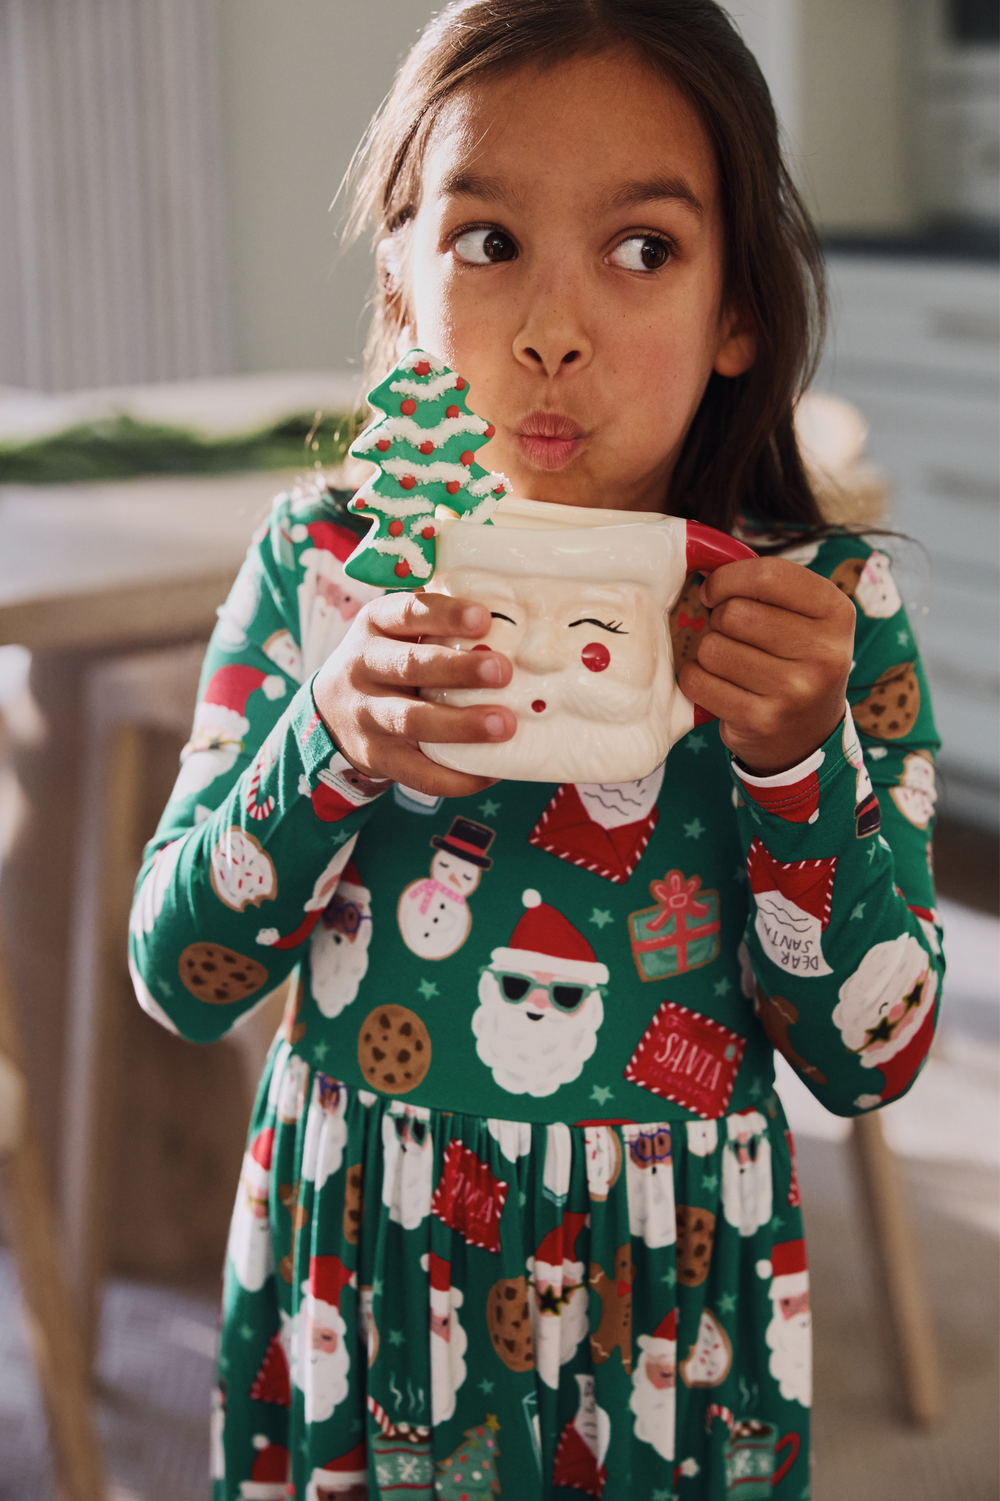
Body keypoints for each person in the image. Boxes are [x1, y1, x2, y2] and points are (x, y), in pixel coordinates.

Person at [128, 3, 944, 1496]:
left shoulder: (815, 623)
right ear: (402, 273)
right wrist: (332, 735)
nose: (552, 329)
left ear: (738, 309)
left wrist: (793, 768)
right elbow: (183, 978)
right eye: (490, 240)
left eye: (642, 248)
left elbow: (874, 1055)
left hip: (678, 1309)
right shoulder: (326, 574)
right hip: (365, 1270)